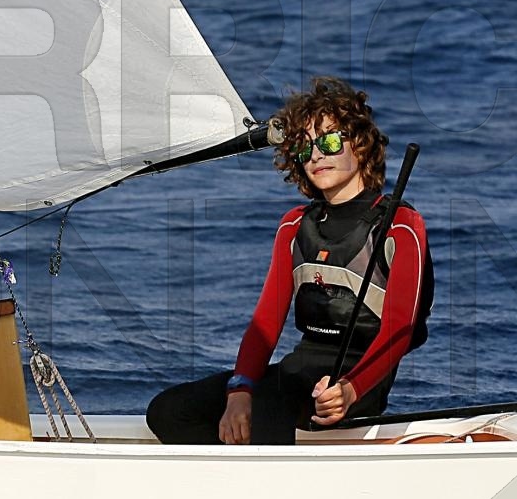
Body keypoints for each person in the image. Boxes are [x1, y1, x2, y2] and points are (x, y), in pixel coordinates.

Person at [145, 77, 430, 445]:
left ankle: (266, 473)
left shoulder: (401, 226)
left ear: (359, 145)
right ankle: (236, 469)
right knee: (169, 410)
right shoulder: (294, 226)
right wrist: (239, 389)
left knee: (268, 399)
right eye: (304, 146)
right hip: (295, 374)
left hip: (359, 382)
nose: (316, 155)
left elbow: (399, 330)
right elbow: (265, 323)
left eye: (329, 141)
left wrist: (350, 389)